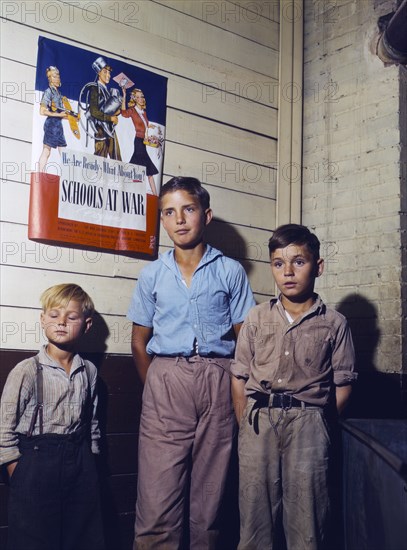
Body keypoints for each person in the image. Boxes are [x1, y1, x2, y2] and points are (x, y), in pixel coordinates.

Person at [127, 176, 255, 549]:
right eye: (169, 212)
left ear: (207, 215)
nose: (179, 219)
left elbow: (245, 340)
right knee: (157, 490)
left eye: (189, 209)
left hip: (220, 378)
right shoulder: (151, 274)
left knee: (210, 493)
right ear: (162, 221)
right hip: (166, 379)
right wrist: (156, 384)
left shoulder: (230, 271)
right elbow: (139, 342)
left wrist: (236, 388)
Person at [231, 223, 357, 550]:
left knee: (308, 521)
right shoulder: (256, 318)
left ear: (318, 267)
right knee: (255, 517)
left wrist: (320, 425)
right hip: (260, 422)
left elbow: (343, 383)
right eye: (278, 263)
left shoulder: (334, 323)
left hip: (309, 424)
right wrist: (245, 423)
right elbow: (239, 375)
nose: (288, 272)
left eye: (298, 262)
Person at [0, 284, 104, 550]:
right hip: (35, 464)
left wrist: (90, 458)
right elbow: (4, 428)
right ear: (42, 319)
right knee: (33, 539)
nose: (61, 322)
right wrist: (18, 470)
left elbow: (91, 421)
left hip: (79, 462)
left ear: (87, 325)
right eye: (54, 315)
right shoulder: (26, 370)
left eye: (71, 317)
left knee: (81, 537)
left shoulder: (89, 371)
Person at [121, 88, 159, 195]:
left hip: (144, 141)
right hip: (138, 142)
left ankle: (155, 196)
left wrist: (150, 126)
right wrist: (124, 95)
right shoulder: (133, 110)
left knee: (142, 169)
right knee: (144, 169)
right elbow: (123, 113)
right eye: (137, 97)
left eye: (142, 96)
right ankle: (129, 190)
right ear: (134, 99)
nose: (141, 99)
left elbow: (145, 124)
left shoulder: (144, 113)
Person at [88, 56, 122, 160]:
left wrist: (116, 113)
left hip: (110, 129)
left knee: (117, 160)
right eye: (105, 72)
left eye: (109, 73)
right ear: (98, 73)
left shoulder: (108, 91)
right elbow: (94, 111)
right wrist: (110, 118)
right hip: (101, 129)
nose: (108, 75)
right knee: (99, 159)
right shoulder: (95, 88)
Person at [38, 66, 68, 172]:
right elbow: (42, 111)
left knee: (64, 153)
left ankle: (66, 177)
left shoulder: (59, 94)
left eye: (58, 76)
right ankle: (40, 174)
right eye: (55, 76)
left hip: (58, 126)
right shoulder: (48, 92)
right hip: (51, 125)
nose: (57, 78)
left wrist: (71, 118)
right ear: (50, 78)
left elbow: (61, 113)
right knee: (46, 151)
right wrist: (59, 115)